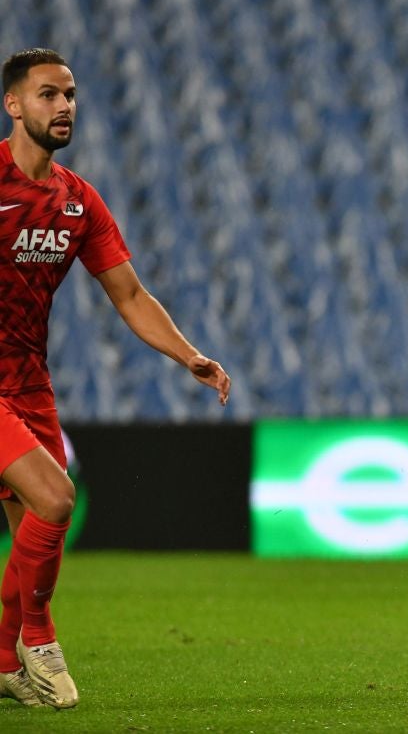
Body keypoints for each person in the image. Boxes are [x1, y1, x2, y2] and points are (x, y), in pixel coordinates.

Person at [0, 49, 231, 710]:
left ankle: (3, 661)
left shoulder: (78, 201)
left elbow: (129, 295)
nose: (64, 105)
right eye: (47, 95)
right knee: (55, 498)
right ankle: (38, 641)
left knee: (32, 541)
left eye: (69, 94)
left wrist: (188, 355)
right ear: (14, 105)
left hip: (28, 384)